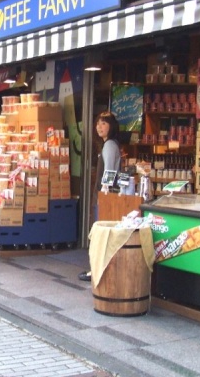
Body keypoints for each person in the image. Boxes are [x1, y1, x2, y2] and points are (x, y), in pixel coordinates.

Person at [78, 111, 121, 282]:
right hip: (106, 195)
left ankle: (97, 268)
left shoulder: (110, 145)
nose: (99, 127)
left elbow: (109, 171)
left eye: (104, 123)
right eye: (98, 124)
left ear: (111, 126)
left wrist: (104, 190)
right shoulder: (108, 144)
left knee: (101, 232)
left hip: (106, 196)